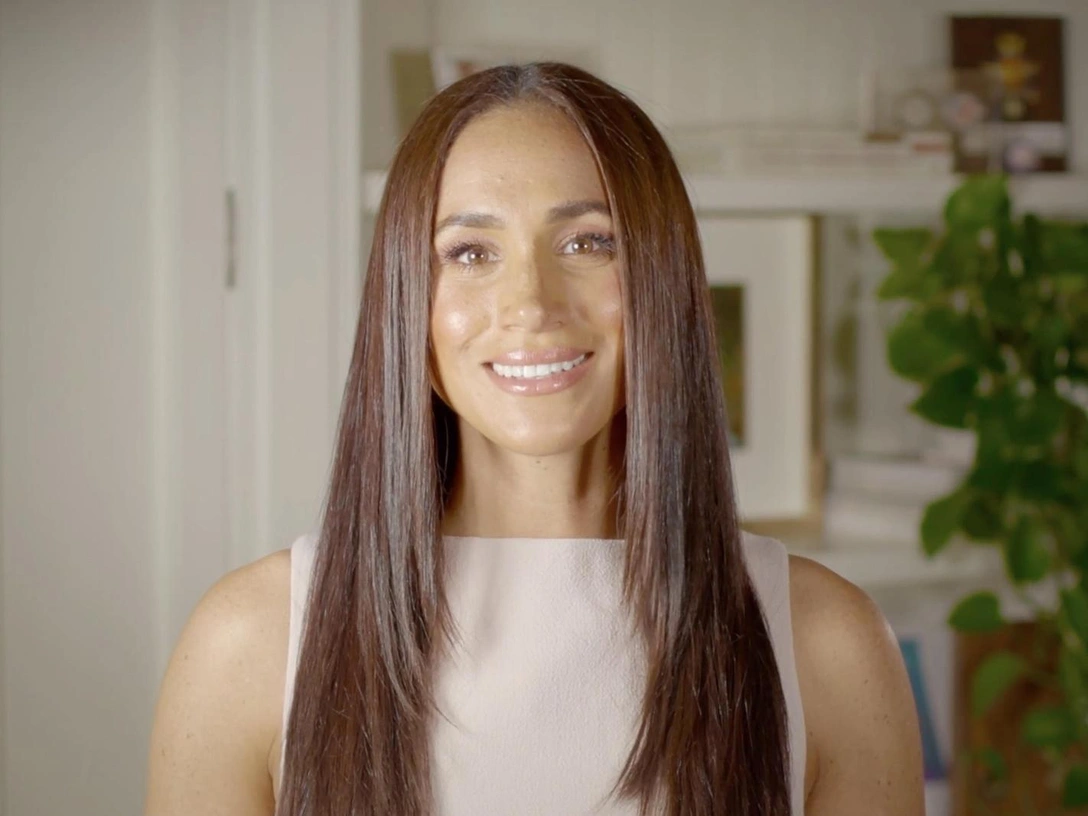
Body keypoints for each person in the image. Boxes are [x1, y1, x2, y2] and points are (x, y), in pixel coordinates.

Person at [144, 62, 925, 815]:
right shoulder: (251, 642)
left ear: (663, 277)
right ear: (407, 301)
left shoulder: (829, 645)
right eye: (470, 252)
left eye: (588, 242)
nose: (531, 303)